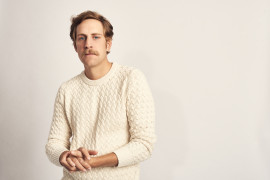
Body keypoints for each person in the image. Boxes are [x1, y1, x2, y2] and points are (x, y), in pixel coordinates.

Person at [45, 10, 156, 180]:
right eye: (81, 38)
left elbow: (144, 144)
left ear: (108, 44)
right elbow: (54, 143)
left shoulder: (131, 79)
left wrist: (92, 162)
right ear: (75, 46)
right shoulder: (67, 89)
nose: (88, 43)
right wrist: (65, 156)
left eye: (95, 37)